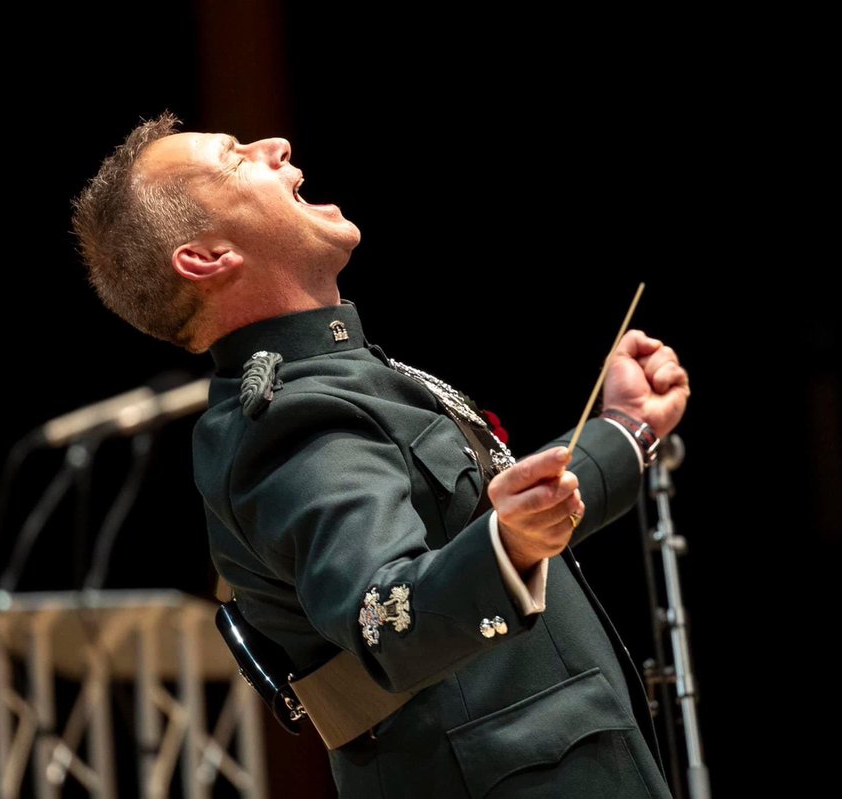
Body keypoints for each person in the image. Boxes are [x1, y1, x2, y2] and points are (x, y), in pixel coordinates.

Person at [72, 111, 691, 798]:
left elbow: (491, 511)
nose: (275, 145)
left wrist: (626, 430)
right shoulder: (287, 421)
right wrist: (506, 546)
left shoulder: (339, 375)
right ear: (208, 257)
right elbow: (384, 615)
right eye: (234, 156)